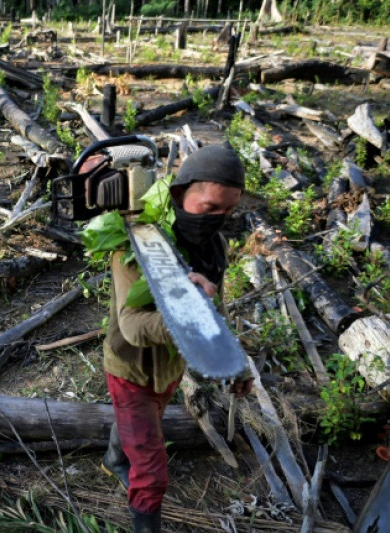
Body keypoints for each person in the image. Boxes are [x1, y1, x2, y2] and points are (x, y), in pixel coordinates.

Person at [100, 143, 254, 533]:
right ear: (177, 193)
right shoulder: (134, 247)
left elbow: (215, 312)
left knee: (146, 420)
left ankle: (115, 458)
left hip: (170, 366)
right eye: (210, 208)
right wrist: (185, 316)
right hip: (130, 371)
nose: (218, 219)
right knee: (151, 474)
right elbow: (133, 327)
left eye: (228, 210)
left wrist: (235, 363)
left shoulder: (213, 248)